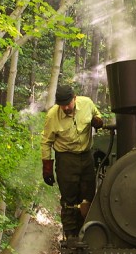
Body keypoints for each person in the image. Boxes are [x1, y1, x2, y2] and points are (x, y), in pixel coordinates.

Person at [41, 83, 104, 240]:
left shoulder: (87, 103)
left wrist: (98, 121)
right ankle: (71, 235)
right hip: (66, 159)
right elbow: (46, 142)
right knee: (69, 199)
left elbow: (98, 115)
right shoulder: (52, 116)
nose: (66, 108)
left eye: (68, 104)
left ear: (74, 98)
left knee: (88, 195)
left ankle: (89, 232)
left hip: (86, 155)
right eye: (62, 105)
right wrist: (47, 167)